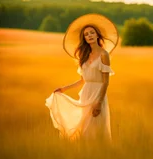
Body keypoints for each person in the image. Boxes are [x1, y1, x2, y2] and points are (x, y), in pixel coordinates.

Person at [45, 14, 119, 142]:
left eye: (92, 33)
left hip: (97, 95)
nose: (89, 35)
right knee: (83, 130)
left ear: (97, 35)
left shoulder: (104, 54)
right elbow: (83, 80)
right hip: (86, 94)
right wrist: (63, 89)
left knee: (96, 129)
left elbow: (106, 82)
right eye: (86, 34)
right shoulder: (83, 55)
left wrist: (99, 102)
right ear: (84, 38)